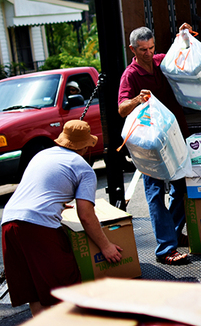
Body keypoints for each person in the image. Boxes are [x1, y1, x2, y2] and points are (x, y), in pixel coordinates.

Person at [1, 120, 123, 315]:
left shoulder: (42, 154)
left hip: (9, 223)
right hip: (38, 229)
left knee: (35, 292)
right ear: (84, 147)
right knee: (66, 290)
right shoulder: (83, 169)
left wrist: (57, 203)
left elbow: (41, 188)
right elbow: (85, 215)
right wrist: (106, 246)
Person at [118, 24, 192, 266]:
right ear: (132, 49)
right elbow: (121, 109)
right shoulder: (130, 75)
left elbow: (182, 52)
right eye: (142, 50)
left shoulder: (161, 62)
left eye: (151, 48)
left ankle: (171, 232)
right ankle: (165, 249)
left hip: (177, 137)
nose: (148, 53)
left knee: (183, 187)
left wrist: (185, 36)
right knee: (155, 194)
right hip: (152, 146)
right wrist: (138, 99)